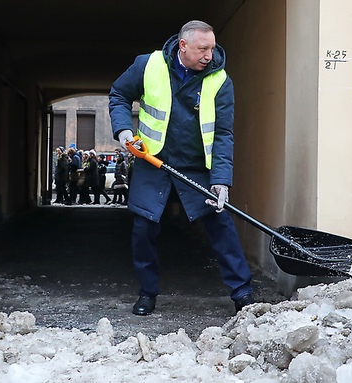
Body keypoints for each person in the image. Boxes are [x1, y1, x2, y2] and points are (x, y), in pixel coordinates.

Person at [109, 20, 254, 316]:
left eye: (212, 48)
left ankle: (243, 292)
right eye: (203, 49)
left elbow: (224, 134)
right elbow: (119, 96)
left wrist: (221, 181)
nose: (209, 56)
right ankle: (147, 293)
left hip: (196, 165)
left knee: (220, 224)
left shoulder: (219, 80)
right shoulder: (148, 65)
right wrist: (124, 130)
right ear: (183, 45)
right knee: (144, 228)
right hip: (152, 160)